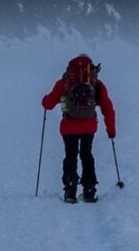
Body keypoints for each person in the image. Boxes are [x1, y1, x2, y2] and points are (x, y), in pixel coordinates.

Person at [42, 54, 116, 203]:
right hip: (89, 126)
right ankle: (89, 190)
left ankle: (70, 190)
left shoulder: (65, 82)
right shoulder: (96, 84)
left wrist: (45, 100)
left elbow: (48, 104)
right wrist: (111, 131)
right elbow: (108, 108)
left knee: (71, 155)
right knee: (86, 154)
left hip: (69, 126)